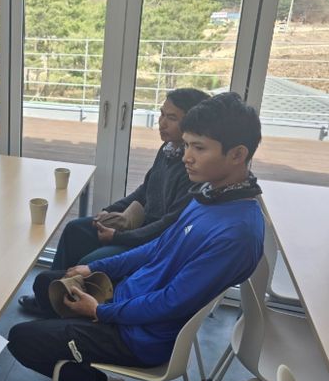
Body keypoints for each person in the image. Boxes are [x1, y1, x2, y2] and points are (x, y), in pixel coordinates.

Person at [8, 92, 265, 381]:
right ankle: (79, 370)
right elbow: (158, 247)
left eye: (199, 148)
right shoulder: (210, 194)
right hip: (128, 301)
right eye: (187, 145)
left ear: (237, 154)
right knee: (46, 282)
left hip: (141, 337)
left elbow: (171, 301)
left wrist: (99, 312)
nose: (187, 157)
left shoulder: (237, 234)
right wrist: (97, 269)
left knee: (21, 339)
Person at [19, 88, 210, 315]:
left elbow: (167, 228)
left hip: (149, 242)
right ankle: (49, 298)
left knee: (90, 260)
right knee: (75, 229)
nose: (161, 123)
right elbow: (144, 191)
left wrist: (117, 236)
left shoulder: (192, 169)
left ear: (191, 124)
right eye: (161, 114)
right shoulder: (167, 149)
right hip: (138, 227)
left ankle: (66, 307)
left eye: (171, 118)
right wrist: (109, 211)